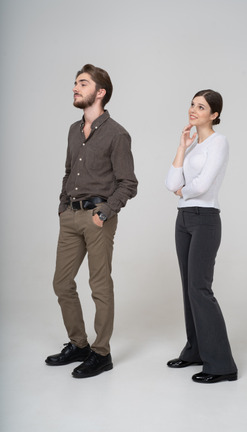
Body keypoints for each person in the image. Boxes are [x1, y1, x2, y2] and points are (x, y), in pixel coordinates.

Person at [45, 64, 138, 379]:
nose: (75, 87)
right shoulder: (73, 130)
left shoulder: (117, 134)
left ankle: (101, 353)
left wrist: (104, 212)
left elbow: (128, 183)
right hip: (70, 216)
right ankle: (79, 345)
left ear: (100, 92)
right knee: (61, 283)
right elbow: (69, 171)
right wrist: (62, 207)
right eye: (74, 83)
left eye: (82, 83)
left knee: (99, 286)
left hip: (98, 218)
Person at [165, 90, 237, 384]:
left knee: (200, 288)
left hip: (205, 219)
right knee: (188, 288)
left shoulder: (219, 142)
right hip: (183, 219)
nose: (193, 110)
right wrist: (182, 147)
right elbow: (170, 182)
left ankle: (222, 365)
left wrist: (184, 189)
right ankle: (195, 349)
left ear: (214, 115)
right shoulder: (194, 144)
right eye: (192, 104)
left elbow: (204, 185)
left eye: (201, 106)